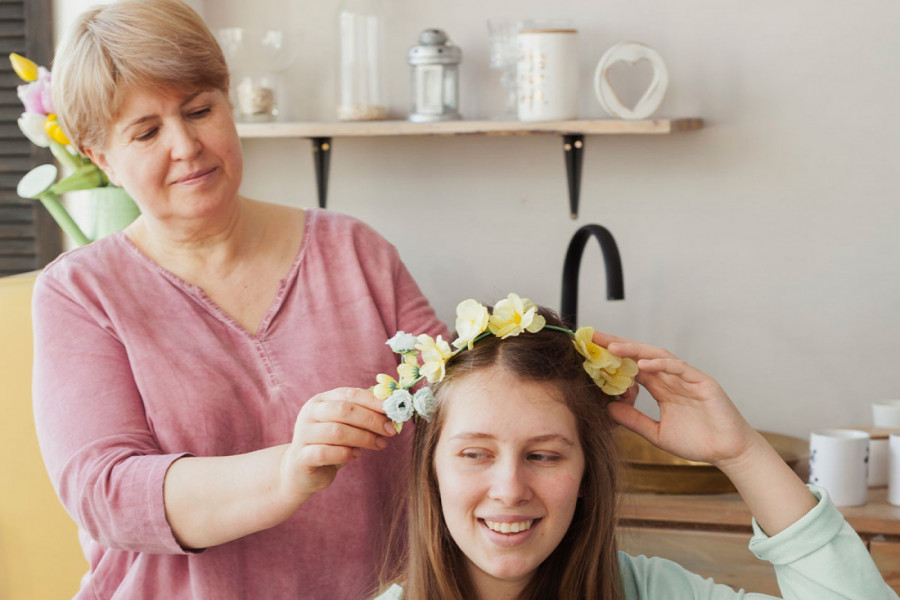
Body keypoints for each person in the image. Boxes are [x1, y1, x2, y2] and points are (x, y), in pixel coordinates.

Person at [32, 1, 447, 598]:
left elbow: (453, 397)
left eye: (200, 110)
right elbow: (108, 493)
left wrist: (574, 374)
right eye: (146, 132)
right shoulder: (81, 294)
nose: (186, 145)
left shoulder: (354, 252)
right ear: (102, 159)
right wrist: (289, 471)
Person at [372, 295, 898, 600]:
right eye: (475, 454)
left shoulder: (651, 592)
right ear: (431, 469)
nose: (509, 489)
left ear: (585, 474)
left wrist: (740, 453)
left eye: (544, 455)